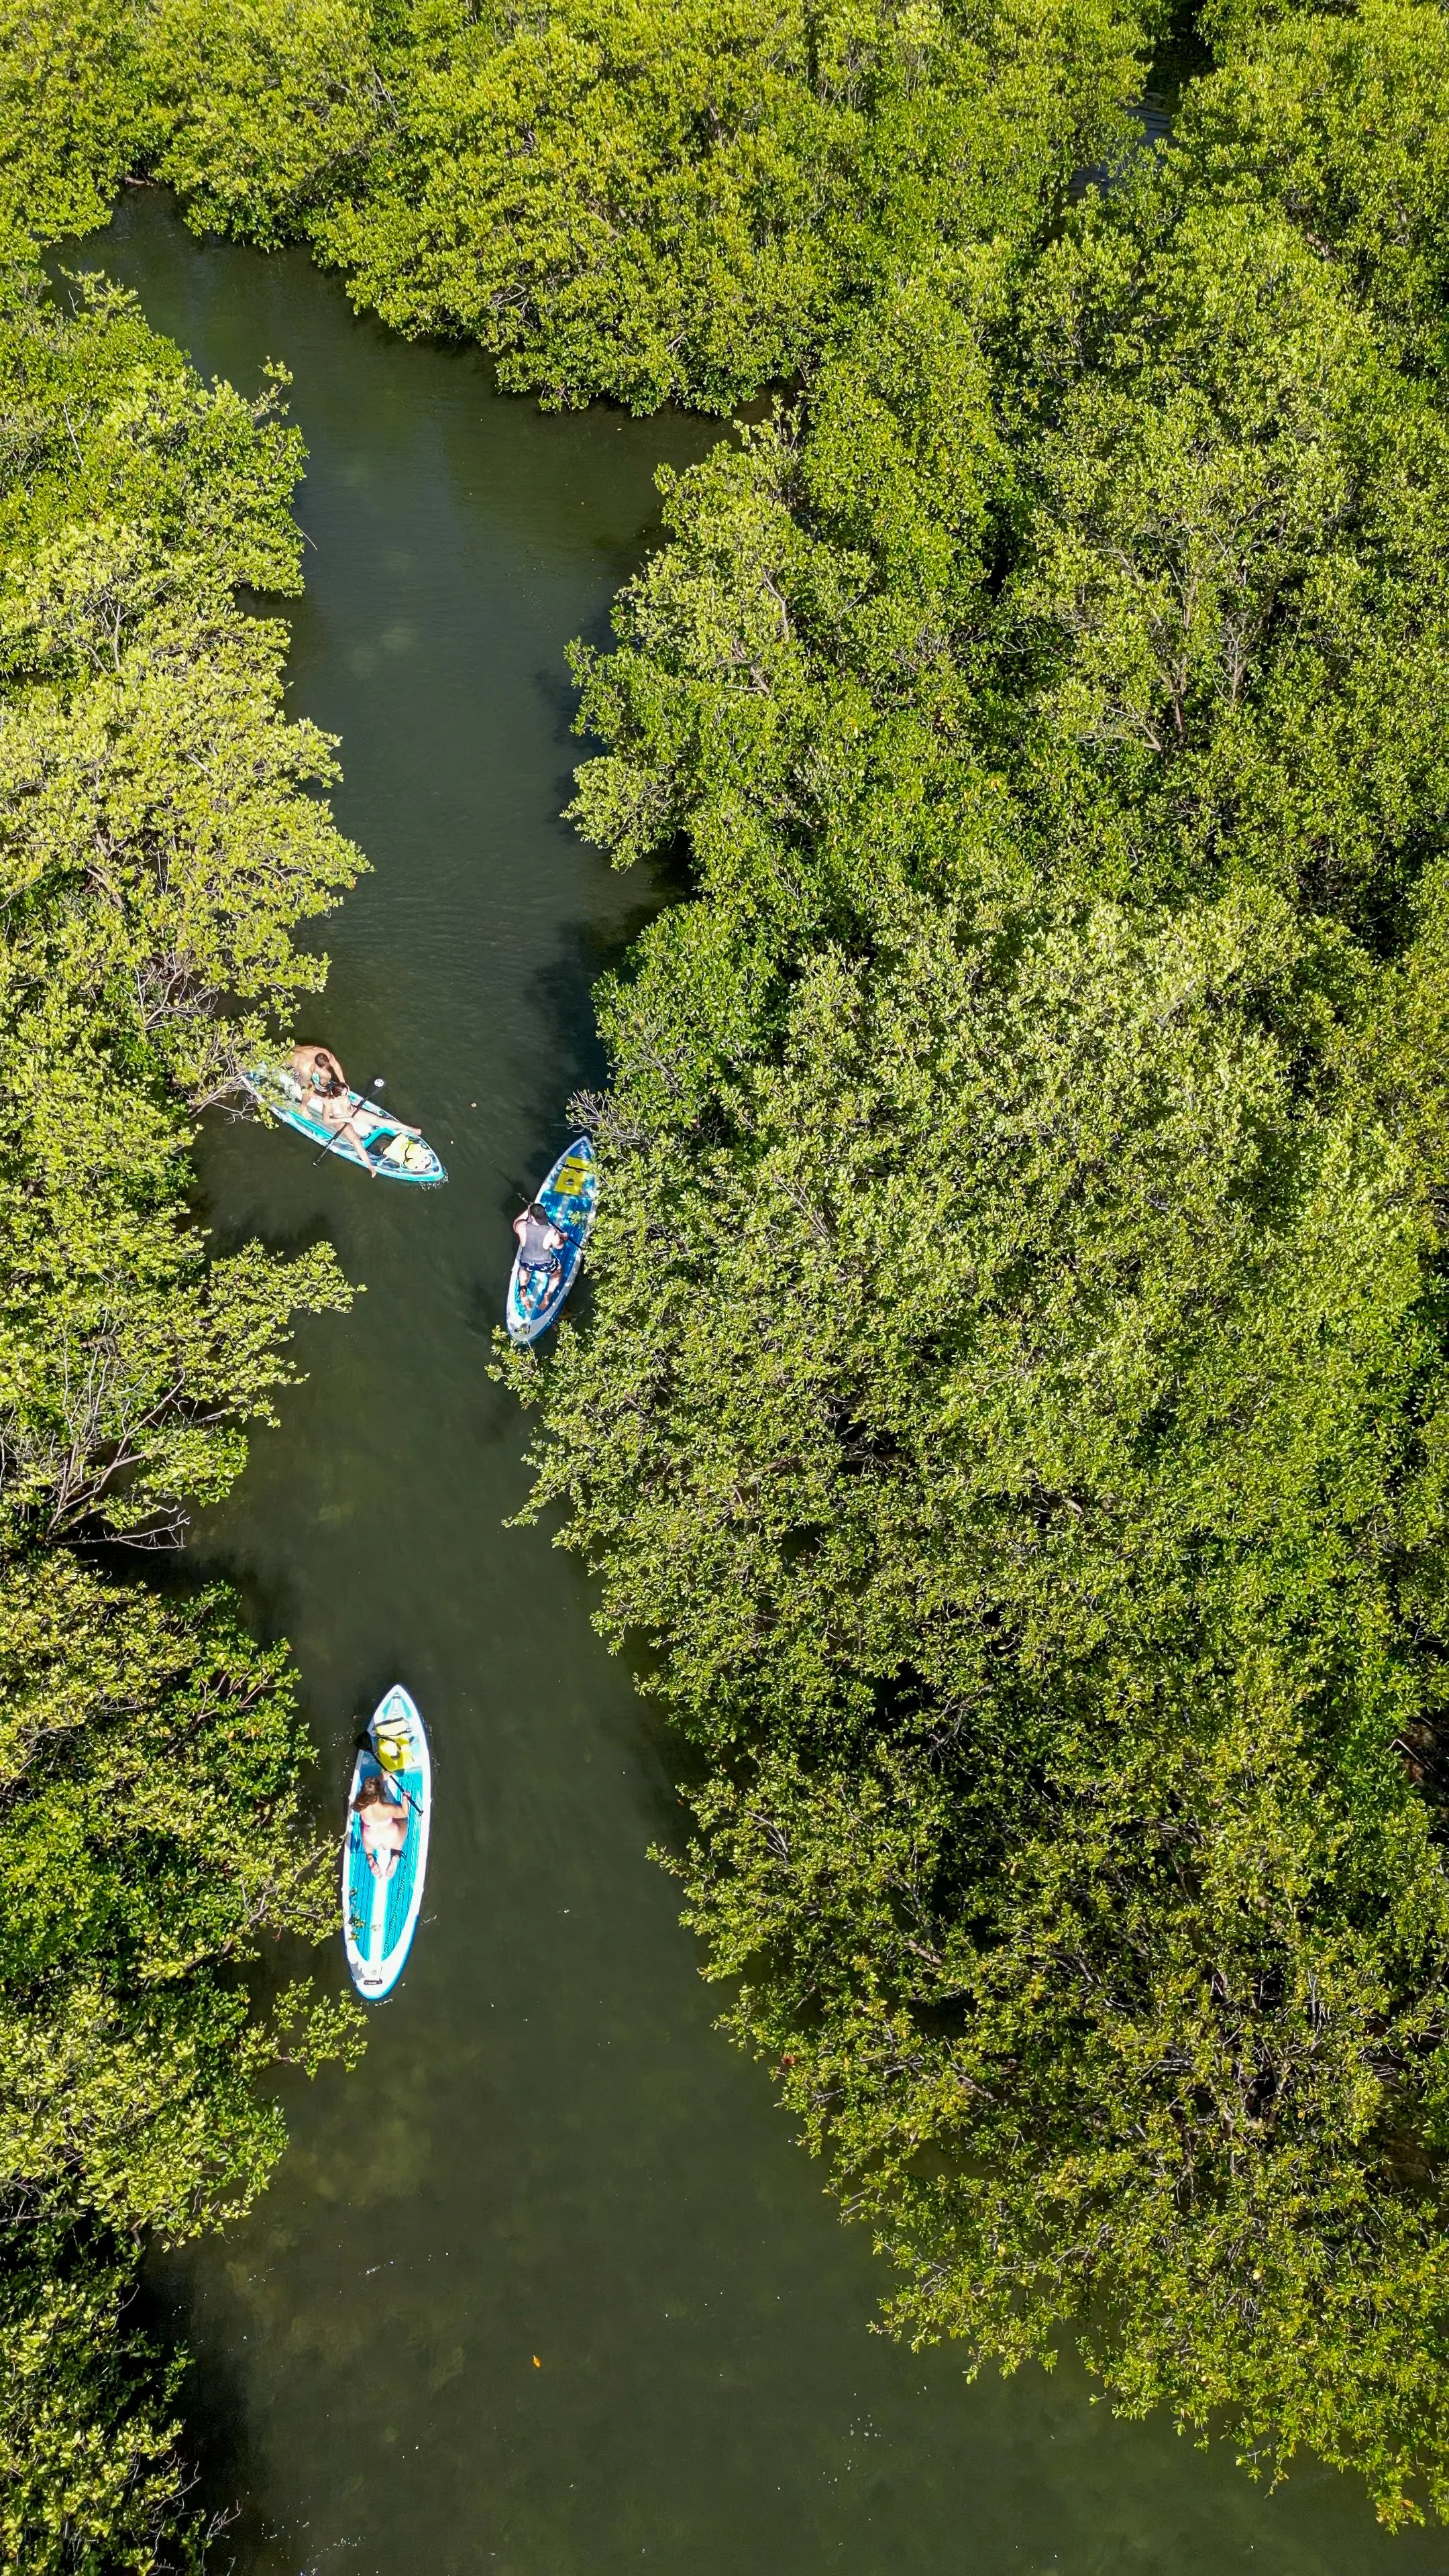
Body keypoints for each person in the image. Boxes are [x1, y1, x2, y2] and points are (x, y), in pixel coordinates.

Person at [354, 1773, 409, 1880]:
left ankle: (370, 1856)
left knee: (364, 1825)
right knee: (402, 1821)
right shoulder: (386, 1808)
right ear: (378, 1792)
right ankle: (395, 1856)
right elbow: (404, 1813)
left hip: (372, 1839)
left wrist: (379, 1778)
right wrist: (405, 1799)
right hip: (390, 1837)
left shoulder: (359, 1804)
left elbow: (366, 1791)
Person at [513, 1199, 566, 1277]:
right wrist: (564, 1237)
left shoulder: (521, 1226)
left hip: (526, 1261)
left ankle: (523, 1287)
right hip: (544, 1263)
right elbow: (559, 1246)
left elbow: (515, 1224)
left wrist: (528, 1210)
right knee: (558, 1270)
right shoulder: (551, 1231)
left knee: (524, 1270)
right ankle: (549, 1290)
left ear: (532, 1216)